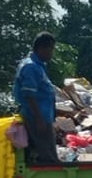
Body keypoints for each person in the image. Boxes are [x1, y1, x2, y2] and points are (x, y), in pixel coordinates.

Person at [14, 32, 61, 165]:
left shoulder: (38, 66)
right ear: (41, 48)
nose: (51, 53)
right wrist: (39, 119)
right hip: (36, 117)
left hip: (43, 117)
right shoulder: (31, 67)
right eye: (50, 49)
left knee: (49, 154)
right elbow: (29, 95)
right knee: (48, 157)